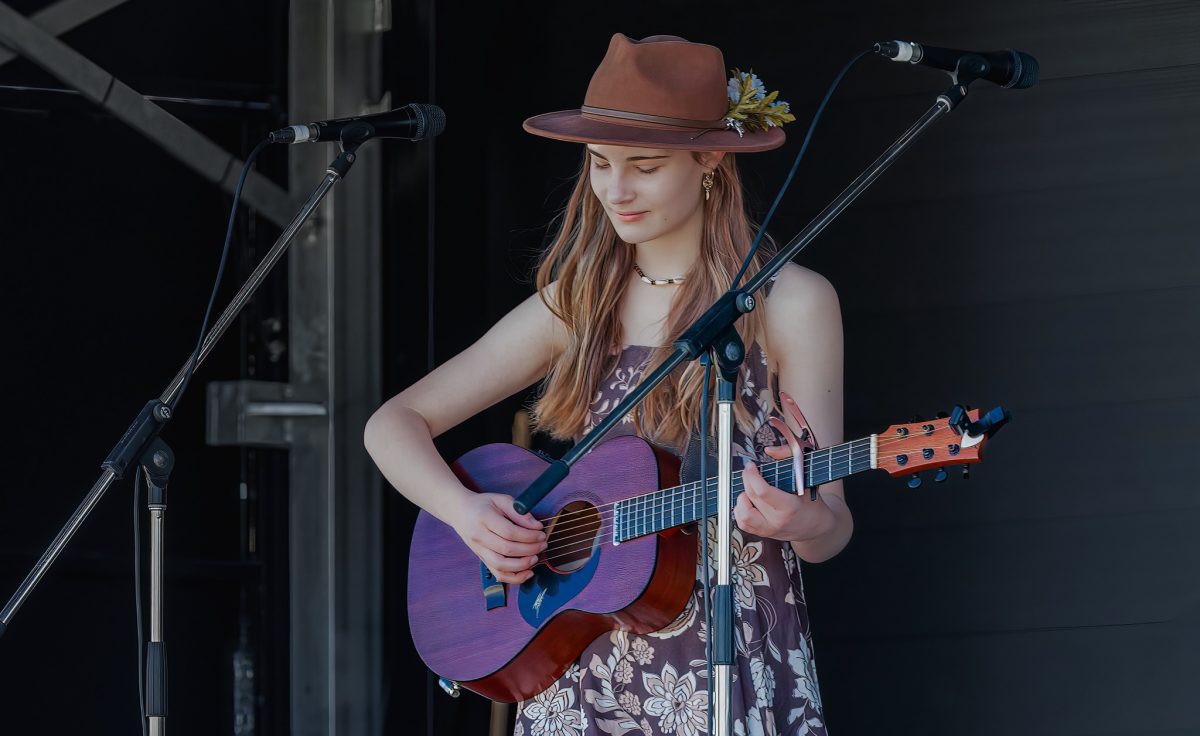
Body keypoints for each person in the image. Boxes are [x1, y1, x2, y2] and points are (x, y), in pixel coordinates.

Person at [364, 32, 852, 736]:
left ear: (710, 158)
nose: (615, 190)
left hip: (729, 657)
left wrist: (804, 519)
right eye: (600, 164)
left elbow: (830, 525)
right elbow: (392, 423)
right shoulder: (578, 302)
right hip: (580, 665)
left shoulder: (792, 302)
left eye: (645, 167)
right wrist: (469, 517)